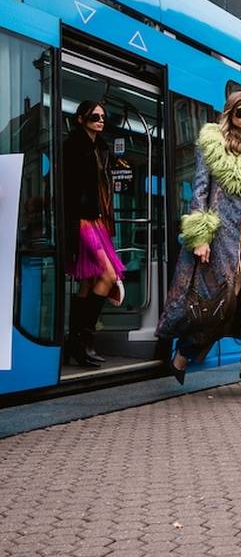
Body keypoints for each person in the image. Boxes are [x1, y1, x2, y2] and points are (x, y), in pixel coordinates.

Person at [157, 91, 241, 396]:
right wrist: (200, 237)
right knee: (221, 302)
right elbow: (200, 191)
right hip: (221, 235)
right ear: (229, 112)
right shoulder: (212, 144)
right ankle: (184, 353)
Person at [62, 99, 126, 367]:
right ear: (80, 119)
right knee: (108, 275)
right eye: (93, 117)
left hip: (97, 221)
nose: (100, 121)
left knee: (88, 282)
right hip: (80, 221)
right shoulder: (72, 147)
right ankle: (82, 339)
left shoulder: (102, 149)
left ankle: (76, 342)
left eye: (102, 117)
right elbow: (69, 188)